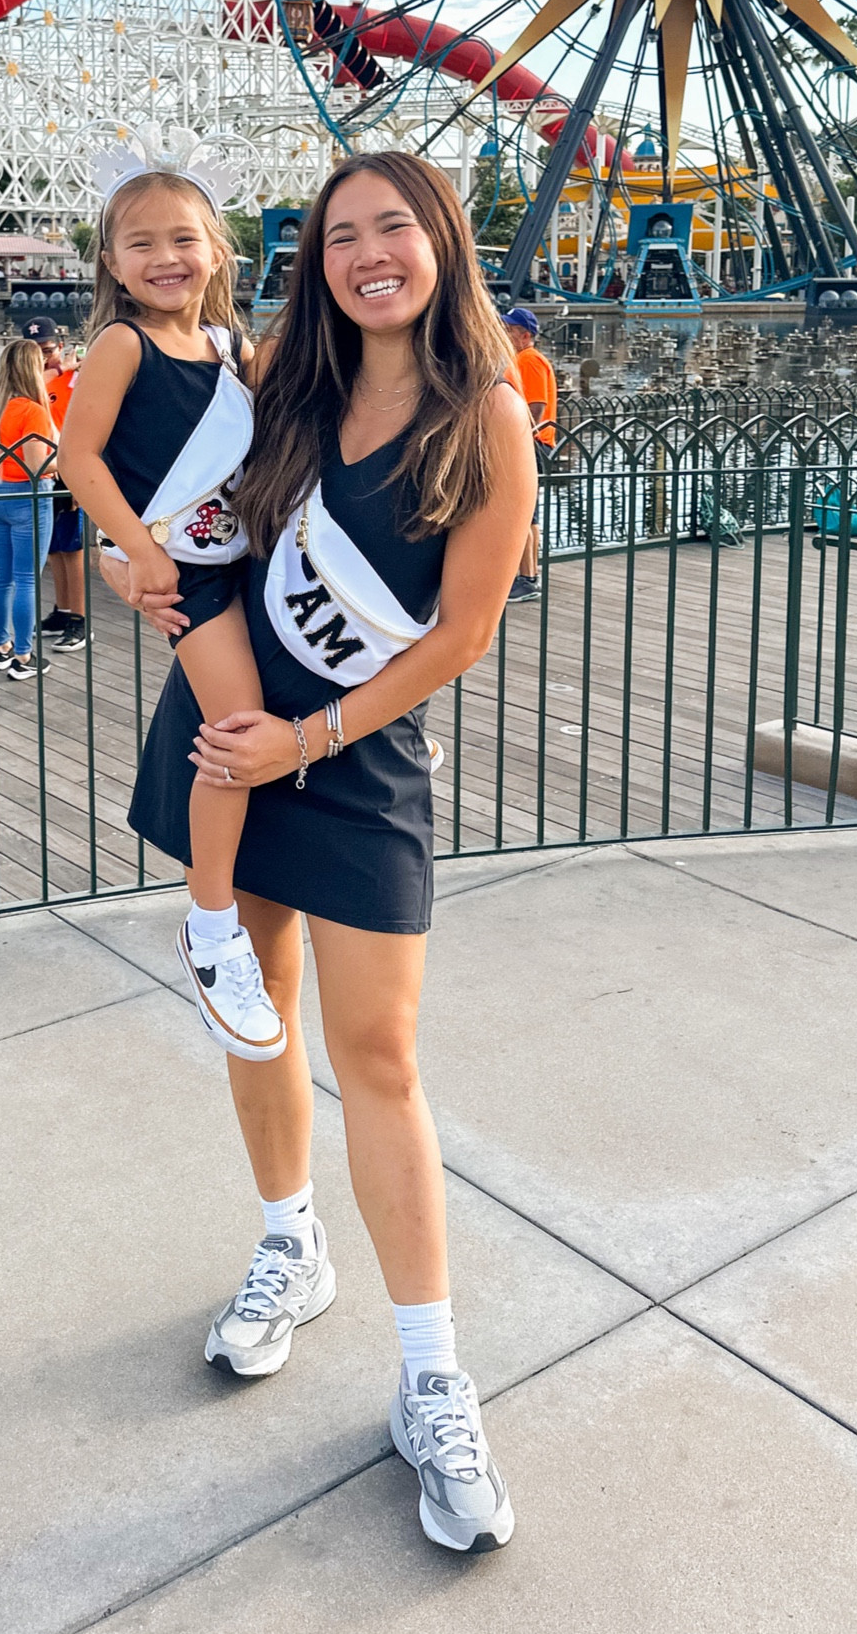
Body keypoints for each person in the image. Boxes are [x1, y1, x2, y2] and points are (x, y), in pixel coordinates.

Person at [119, 152, 536, 1553]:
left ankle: (431, 1377)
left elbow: (461, 633)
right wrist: (133, 566)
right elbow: (188, 521)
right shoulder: (279, 387)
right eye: (341, 234)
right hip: (235, 733)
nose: (368, 254)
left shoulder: (488, 417)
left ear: (441, 243)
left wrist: (311, 737)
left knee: (381, 1057)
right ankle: (289, 1245)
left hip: (351, 757)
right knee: (257, 1013)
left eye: (393, 227)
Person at [59, 167, 285, 1061]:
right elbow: (79, 457)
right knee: (234, 734)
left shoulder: (231, 350)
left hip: (245, 560)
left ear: (217, 251)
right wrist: (133, 551)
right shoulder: (122, 345)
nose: (166, 257)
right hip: (187, 573)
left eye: (184, 238)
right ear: (112, 262)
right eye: (141, 242)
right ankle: (212, 928)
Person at [0, 337, 57, 682]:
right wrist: (69, 459)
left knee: (2, 575)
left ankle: (2, 647)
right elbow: (37, 466)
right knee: (27, 578)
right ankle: (24, 655)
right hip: (28, 496)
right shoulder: (33, 411)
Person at [17, 314, 90, 652]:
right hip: (44, 469)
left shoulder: (75, 379)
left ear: (61, 347)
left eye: (48, 350)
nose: (44, 358)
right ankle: (62, 610)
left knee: (72, 548)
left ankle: (79, 619)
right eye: (35, 352)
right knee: (55, 547)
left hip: (67, 467)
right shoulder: (33, 381)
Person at [503, 305, 556, 604]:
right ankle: (529, 574)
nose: (504, 333)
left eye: (510, 330)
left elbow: (536, 406)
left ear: (525, 335)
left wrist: (518, 438)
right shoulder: (523, 358)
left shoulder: (529, 360)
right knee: (528, 514)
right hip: (535, 441)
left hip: (531, 441)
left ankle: (526, 578)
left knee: (519, 512)